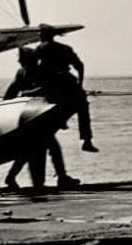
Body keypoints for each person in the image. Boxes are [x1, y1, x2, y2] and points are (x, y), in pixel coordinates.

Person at [2, 48, 79, 191]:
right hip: (32, 119)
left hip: (35, 118)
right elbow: (43, 90)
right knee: (47, 148)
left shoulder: (26, 72)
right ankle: (59, 178)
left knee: (31, 149)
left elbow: (12, 93)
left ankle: (12, 177)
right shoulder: (30, 72)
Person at [33, 25, 98, 153]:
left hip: (52, 84)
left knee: (57, 107)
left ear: (44, 35)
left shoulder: (40, 49)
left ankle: (61, 122)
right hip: (68, 81)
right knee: (82, 106)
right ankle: (87, 140)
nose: (39, 36)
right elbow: (80, 66)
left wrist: (38, 85)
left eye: (40, 34)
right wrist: (80, 85)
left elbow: (32, 68)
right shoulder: (65, 48)